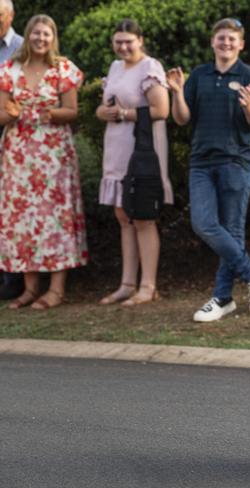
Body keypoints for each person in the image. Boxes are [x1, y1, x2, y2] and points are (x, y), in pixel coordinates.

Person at [167, 18, 250, 322]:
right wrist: (176, 92)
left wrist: (248, 106)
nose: (226, 43)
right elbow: (182, 118)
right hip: (201, 162)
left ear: (241, 44)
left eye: (232, 39)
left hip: (236, 162)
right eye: (221, 39)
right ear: (213, 42)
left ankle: (223, 298)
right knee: (204, 224)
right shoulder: (199, 75)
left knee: (232, 230)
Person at [0, 14, 87, 309]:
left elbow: (72, 110)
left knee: (54, 217)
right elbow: (1, 113)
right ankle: (30, 288)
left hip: (53, 153)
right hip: (18, 153)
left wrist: (49, 112)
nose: (40, 39)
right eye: (36, 34)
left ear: (53, 38)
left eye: (46, 34)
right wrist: (11, 115)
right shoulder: (9, 70)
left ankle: (57, 289)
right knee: (22, 218)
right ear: (28, 35)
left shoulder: (63, 69)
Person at [95, 19, 172, 306]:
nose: (123, 46)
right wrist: (103, 112)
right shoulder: (115, 67)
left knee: (142, 217)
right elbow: (108, 106)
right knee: (123, 216)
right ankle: (126, 283)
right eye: (119, 41)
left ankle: (148, 285)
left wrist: (124, 113)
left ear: (140, 40)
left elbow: (161, 109)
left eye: (129, 41)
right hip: (116, 151)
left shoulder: (150, 67)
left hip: (142, 155)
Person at [0, 0, 24, 301]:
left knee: (10, 210)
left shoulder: (22, 47)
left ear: (11, 16)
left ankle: (12, 279)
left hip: (11, 134)